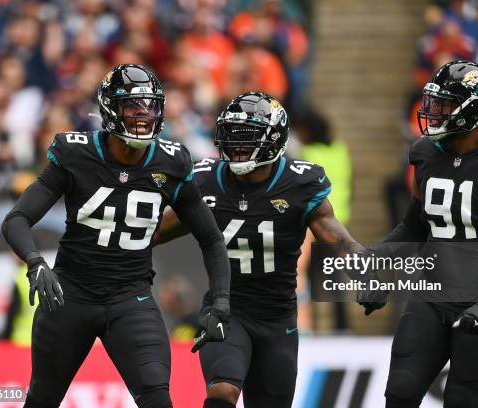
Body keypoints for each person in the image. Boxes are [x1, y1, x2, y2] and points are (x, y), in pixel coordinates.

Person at [1, 64, 231, 408]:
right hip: (70, 296)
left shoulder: (172, 162)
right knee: (42, 399)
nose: (143, 116)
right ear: (111, 109)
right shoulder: (75, 153)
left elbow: (211, 239)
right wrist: (35, 263)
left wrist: (220, 302)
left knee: (157, 398)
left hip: (130, 298)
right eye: (132, 107)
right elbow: (17, 218)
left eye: (150, 107)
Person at [154, 92, 363, 408]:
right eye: (232, 138)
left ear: (274, 140)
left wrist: (369, 273)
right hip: (226, 310)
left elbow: (336, 237)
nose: (236, 148)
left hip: (278, 317)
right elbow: (152, 230)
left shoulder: (300, 183)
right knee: (223, 390)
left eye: (246, 139)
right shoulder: (205, 180)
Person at [358, 60, 478, 408]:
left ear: (472, 109)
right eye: (433, 102)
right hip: (433, 291)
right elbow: (414, 225)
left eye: (443, 104)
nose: (432, 111)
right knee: (399, 391)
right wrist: (375, 260)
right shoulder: (427, 153)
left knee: (461, 400)